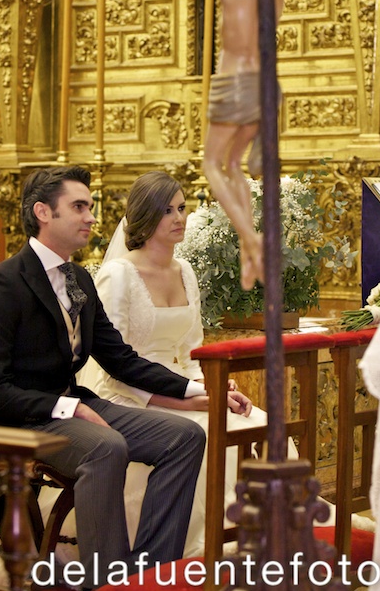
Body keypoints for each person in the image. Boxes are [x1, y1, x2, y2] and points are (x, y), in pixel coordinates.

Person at [0, 165, 250, 591]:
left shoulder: (78, 280)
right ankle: (105, 590)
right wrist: (70, 409)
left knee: (185, 436)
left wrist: (200, 392)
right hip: (18, 417)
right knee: (106, 445)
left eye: (91, 207)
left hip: (72, 406)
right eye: (79, 207)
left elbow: (121, 359)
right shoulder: (3, 283)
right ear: (43, 212)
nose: (91, 217)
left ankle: (148, 575)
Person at [108, 0, 380, 290]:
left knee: (214, 164)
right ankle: (251, 252)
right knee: (237, 166)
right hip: (266, 88)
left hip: (234, 83)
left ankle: (250, 239)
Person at [78, 171, 266, 557]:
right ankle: (202, 549)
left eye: (181, 208)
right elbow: (117, 363)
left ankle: (257, 541)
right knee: (212, 433)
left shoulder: (186, 271)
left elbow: (192, 349)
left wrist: (214, 386)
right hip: (127, 394)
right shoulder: (118, 275)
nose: (179, 217)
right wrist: (190, 400)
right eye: (167, 210)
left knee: (256, 422)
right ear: (146, 217)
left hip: (183, 384)